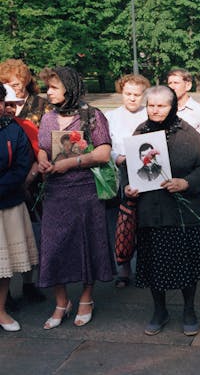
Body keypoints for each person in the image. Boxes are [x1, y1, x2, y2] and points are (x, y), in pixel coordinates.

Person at [124, 86, 200, 336]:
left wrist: (186, 183)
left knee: (186, 263)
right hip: (151, 211)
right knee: (154, 263)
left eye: (161, 105)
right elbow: (129, 169)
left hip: (181, 212)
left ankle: (189, 309)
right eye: (151, 105)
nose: (155, 110)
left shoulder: (187, 132)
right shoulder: (140, 132)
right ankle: (159, 310)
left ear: (172, 106)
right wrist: (128, 187)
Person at [37, 67, 115, 329]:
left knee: (87, 244)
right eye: (47, 87)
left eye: (53, 87)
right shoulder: (47, 118)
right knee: (53, 246)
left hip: (85, 191)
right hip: (55, 192)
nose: (48, 92)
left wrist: (70, 163)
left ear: (69, 88)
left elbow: (103, 154)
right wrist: (43, 160)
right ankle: (61, 302)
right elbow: (42, 149)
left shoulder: (92, 115)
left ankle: (85, 298)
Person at [0, 59, 48, 307]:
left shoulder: (36, 111)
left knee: (31, 234)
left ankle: (30, 283)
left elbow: (41, 146)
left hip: (34, 180)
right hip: (10, 187)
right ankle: (5, 291)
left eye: (16, 84)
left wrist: (29, 177)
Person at [104, 73, 150, 288]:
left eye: (137, 95)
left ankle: (144, 266)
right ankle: (123, 268)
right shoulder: (110, 116)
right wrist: (117, 157)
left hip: (145, 171)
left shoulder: (149, 115)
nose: (132, 98)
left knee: (144, 219)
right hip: (119, 172)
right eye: (128, 94)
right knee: (122, 220)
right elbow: (105, 144)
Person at [0, 84, 39, 332]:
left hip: (7, 203)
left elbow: (22, 164)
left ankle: (1, 310)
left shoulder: (13, 130)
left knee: (3, 266)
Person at [167, 68, 200, 154]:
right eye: (170, 83)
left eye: (176, 83)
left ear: (188, 85)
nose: (172, 87)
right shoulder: (164, 110)